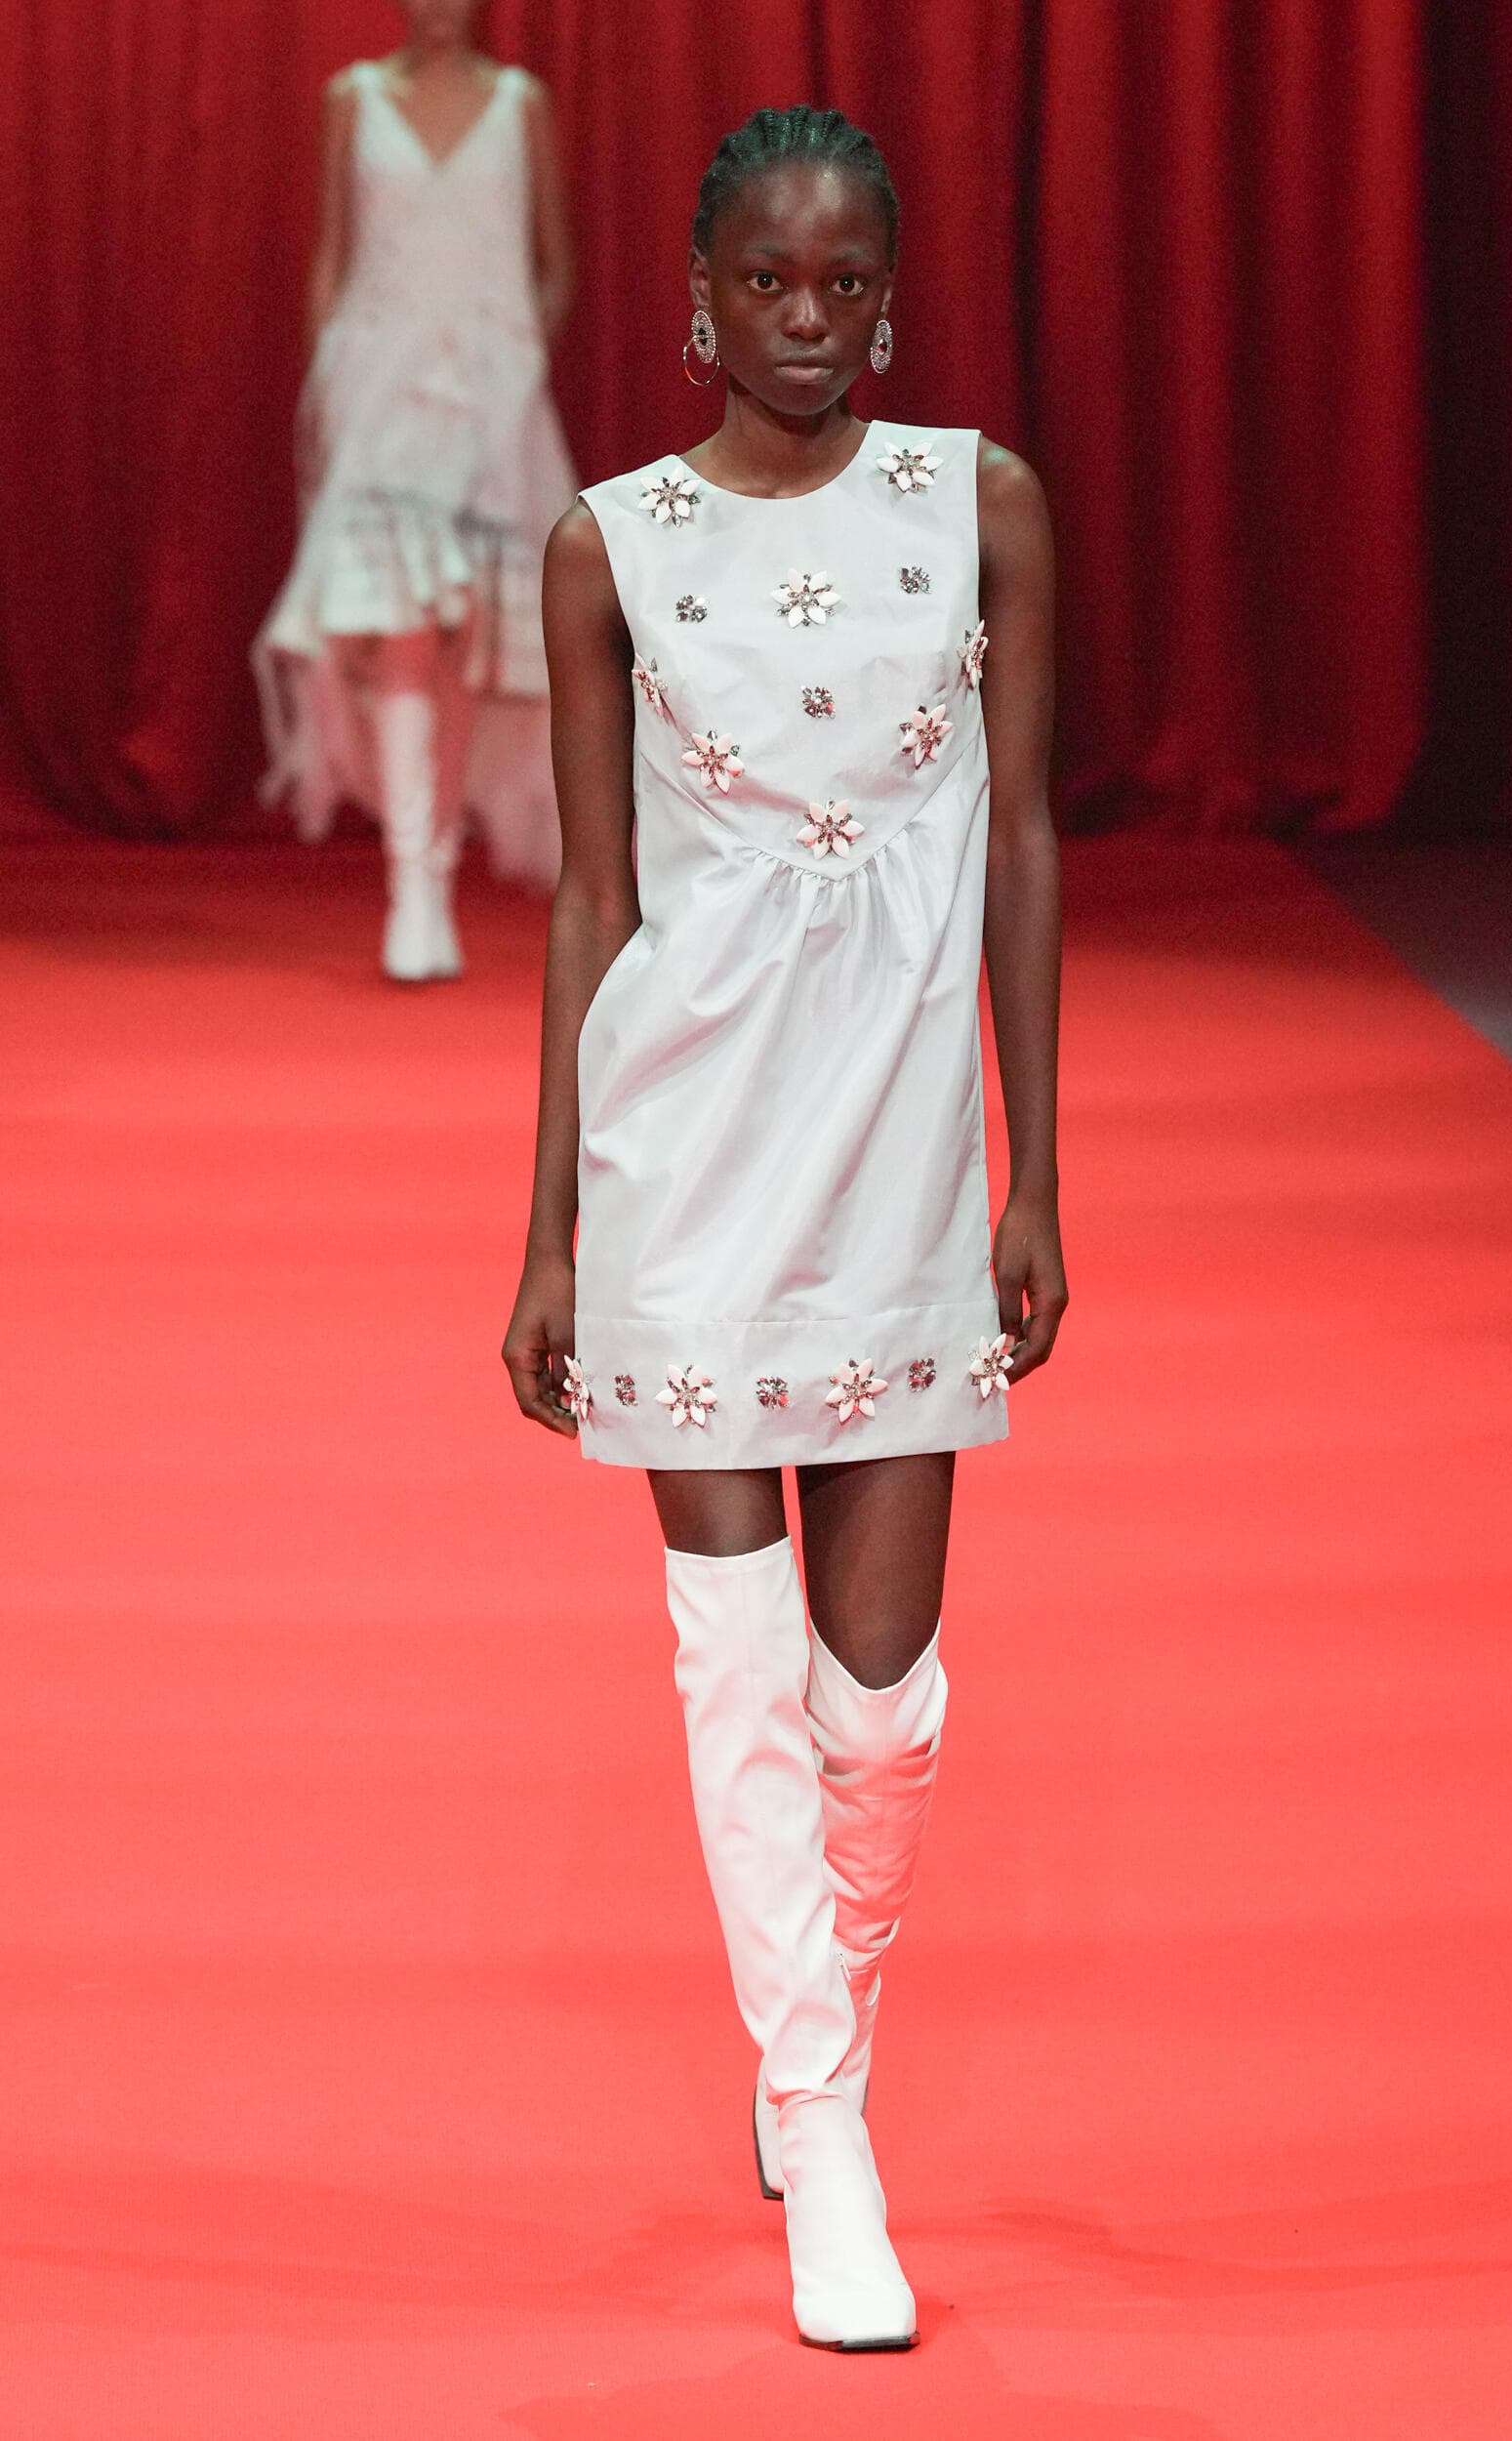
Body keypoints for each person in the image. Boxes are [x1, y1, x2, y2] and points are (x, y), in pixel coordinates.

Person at [502, 104, 1067, 2350]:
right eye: (766, 281)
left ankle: (826, 2010)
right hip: (682, 1163)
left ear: (889, 303)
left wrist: (1038, 1168)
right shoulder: (607, 546)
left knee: (877, 1702)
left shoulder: (978, 506)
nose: (805, 319)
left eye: (843, 283)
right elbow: (590, 902)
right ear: (695, 300)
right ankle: (821, 2117)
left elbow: (1024, 841)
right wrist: (552, 1229)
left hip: (903, 1156)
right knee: (731, 1667)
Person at [254, 1, 577, 982]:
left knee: (464, 636)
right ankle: (412, 888)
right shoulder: (351, 99)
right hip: (379, 398)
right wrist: (325, 391)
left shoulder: (521, 104)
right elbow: (330, 258)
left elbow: (554, 264)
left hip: (488, 402)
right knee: (396, 626)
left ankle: (436, 860)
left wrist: (517, 362)